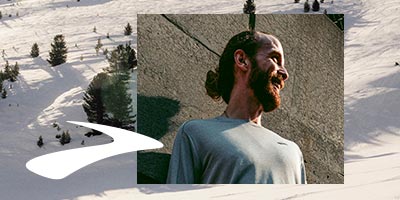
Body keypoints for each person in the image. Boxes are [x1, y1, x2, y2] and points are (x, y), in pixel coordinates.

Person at [166, 31, 306, 184]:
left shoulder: (293, 151)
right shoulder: (196, 133)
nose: (284, 73)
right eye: (275, 58)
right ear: (242, 60)